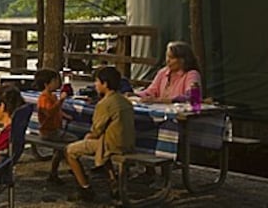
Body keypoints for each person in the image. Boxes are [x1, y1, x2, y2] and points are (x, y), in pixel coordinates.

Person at [65, 67, 135, 201]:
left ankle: (84, 188)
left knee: (69, 151)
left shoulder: (105, 103)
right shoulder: (126, 101)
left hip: (111, 145)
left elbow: (96, 130)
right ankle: (113, 181)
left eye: (97, 82)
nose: (95, 85)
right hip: (127, 143)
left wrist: (88, 137)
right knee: (100, 143)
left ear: (105, 84)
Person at [33, 68, 76, 184]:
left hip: (56, 129)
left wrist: (65, 115)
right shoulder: (43, 98)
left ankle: (54, 173)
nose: (58, 83)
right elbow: (49, 112)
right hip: (48, 131)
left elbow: (57, 111)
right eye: (55, 81)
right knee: (73, 141)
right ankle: (74, 166)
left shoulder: (52, 96)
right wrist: (61, 100)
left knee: (59, 150)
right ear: (47, 84)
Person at [135, 41, 201, 104]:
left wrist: (163, 100)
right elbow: (151, 91)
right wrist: (134, 95)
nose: (168, 60)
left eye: (171, 58)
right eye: (167, 56)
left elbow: (192, 97)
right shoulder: (163, 72)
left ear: (182, 60)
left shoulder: (192, 74)